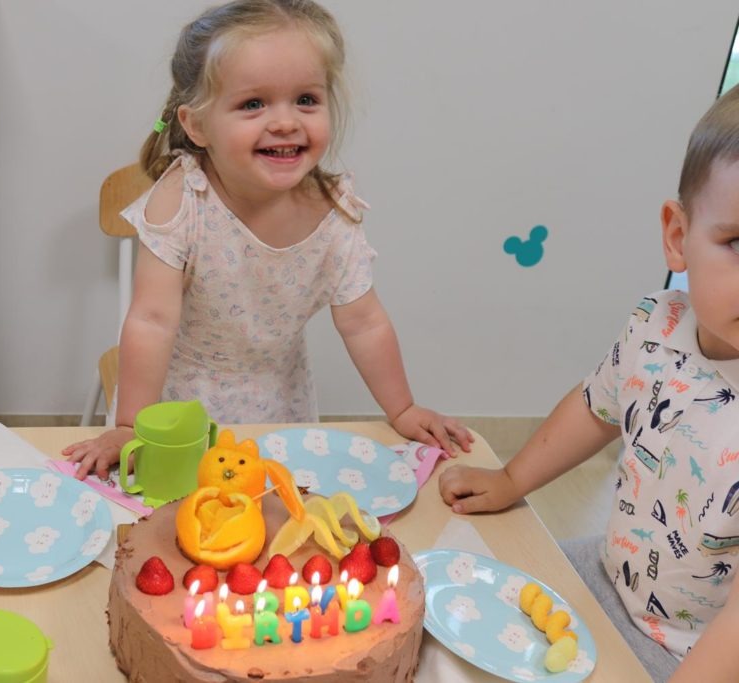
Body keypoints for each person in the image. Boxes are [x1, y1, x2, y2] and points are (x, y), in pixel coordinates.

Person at [64, 0, 473, 479]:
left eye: (306, 99)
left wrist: (402, 409)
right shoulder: (183, 200)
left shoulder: (334, 213)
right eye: (253, 104)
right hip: (176, 408)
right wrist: (129, 425)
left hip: (281, 406)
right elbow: (152, 321)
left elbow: (364, 323)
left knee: (270, 511)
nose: (285, 122)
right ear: (197, 125)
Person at [438, 86, 739, 683]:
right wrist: (510, 480)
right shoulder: (658, 324)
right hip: (609, 575)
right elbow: (594, 408)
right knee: (461, 608)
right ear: (677, 237)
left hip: (691, 656)